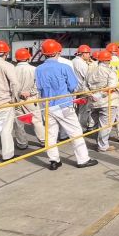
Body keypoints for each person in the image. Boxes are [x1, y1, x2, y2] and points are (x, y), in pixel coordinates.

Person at [35, 39, 97, 170]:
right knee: (75, 132)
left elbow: (39, 88)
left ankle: (54, 160)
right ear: (58, 52)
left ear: (44, 53)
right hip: (64, 105)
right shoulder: (65, 67)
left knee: (50, 135)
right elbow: (74, 86)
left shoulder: (38, 69)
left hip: (47, 106)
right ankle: (83, 159)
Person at [86, 50, 119, 152]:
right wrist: (100, 95)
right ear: (108, 60)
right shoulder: (110, 71)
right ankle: (103, 146)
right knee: (105, 125)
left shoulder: (90, 71)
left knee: (97, 124)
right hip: (107, 102)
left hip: (93, 102)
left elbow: (84, 86)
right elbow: (112, 87)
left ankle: (99, 143)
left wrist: (91, 95)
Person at [13, 48, 46, 149]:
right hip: (31, 99)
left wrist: (18, 93)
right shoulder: (34, 69)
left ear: (16, 59)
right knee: (36, 120)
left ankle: (22, 143)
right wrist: (30, 92)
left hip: (16, 99)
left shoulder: (12, 70)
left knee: (19, 122)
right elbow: (39, 85)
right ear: (28, 57)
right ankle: (43, 140)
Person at [72, 44, 92, 130]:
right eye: (88, 53)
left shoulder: (72, 61)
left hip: (73, 90)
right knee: (83, 110)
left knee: (74, 110)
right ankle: (81, 128)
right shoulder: (82, 64)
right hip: (82, 90)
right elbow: (88, 77)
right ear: (83, 54)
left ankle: (74, 127)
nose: (89, 55)